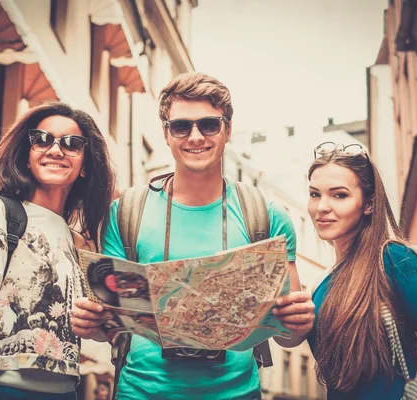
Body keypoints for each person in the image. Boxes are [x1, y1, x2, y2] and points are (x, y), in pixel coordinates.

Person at [71, 72, 315, 399]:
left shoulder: (267, 216)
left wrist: (298, 323)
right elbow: (112, 327)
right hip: (141, 392)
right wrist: (93, 324)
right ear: (166, 133)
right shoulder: (126, 213)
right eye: (181, 126)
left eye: (209, 125)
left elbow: (287, 337)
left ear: (227, 130)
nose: (195, 136)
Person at [0, 102, 115, 400]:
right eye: (42, 139)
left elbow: (99, 331)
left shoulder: (80, 244)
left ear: (85, 166)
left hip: (67, 391)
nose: (55, 150)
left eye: (71, 144)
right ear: (27, 157)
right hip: (3, 388)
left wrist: (97, 326)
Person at [306, 142, 417, 399]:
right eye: (315, 194)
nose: (322, 207)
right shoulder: (319, 285)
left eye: (339, 195)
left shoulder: (393, 258)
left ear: (369, 204)